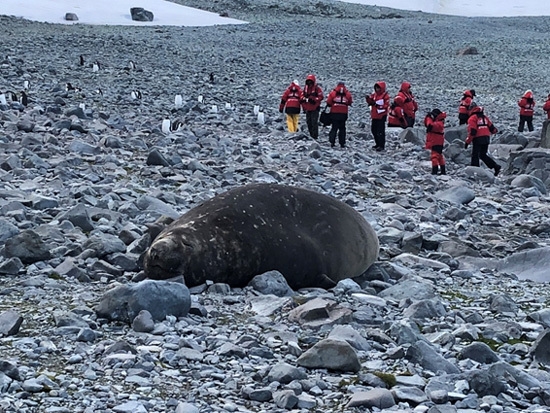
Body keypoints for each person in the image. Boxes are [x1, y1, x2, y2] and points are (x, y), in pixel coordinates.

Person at [465, 106, 501, 176]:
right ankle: (495, 166)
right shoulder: (485, 117)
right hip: (486, 138)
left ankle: (475, 171)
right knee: (482, 155)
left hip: (478, 138)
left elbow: (472, 131)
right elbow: (492, 128)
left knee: (475, 155)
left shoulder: (472, 118)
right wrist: (494, 132)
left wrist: (467, 141)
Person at [326, 81, 353, 148]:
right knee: (342, 128)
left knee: (334, 128)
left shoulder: (333, 93)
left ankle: (332, 142)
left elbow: (329, 102)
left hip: (334, 113)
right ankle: (342, 143)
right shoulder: (347, 93)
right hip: (343, 114)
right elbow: (350, 102)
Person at [366, 81, 390, 151]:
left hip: (381, 115)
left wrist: (377, 105)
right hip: (374, 115)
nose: (377, 89)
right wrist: (368, 99)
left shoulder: (385, 96)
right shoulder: (374, 95)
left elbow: (386, 105)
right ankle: (377, 143)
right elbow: (371, 102)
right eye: (376, 88)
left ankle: (381, 145)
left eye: (378, 88)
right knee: (374, 130)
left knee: (380, 131)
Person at [300, 74, 324, 139]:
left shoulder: (317, 89)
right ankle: (311, 135)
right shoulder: (305, 89)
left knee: (314, 122)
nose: (309, 83)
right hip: (308, 108)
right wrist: (303, 99)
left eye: (310, 81)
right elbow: (301, 95)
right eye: (308, 81)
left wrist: (314, 99)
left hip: (315, 108)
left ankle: (315, 136)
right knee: (308, 122)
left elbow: (321, 97)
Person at [424, 108, 447, 175]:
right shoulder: (440, 122)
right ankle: (443, 170)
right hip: (439, 141)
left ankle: (435, 170)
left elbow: (430, 126)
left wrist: (428, 118)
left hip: (435, 141)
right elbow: (428, 125)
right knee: (439, 155)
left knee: (434, 156)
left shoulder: (438, 124)